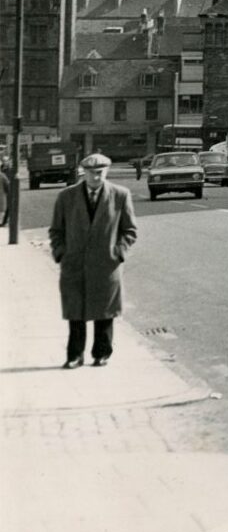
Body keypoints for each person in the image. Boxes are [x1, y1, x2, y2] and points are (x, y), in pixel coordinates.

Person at [48, 152, 137, 369]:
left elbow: (130, 230)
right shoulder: (66, 197)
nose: (96, 177)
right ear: (83, 173)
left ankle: (102, 353)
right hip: (74, 264)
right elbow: (56, 231)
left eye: (100, 173)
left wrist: (118, 252)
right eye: (91, 173)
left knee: (104, 312)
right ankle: (75, 356)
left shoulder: (120, 195)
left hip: (106, 265)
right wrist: (61, 253)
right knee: (75, 312)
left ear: (106, 172)